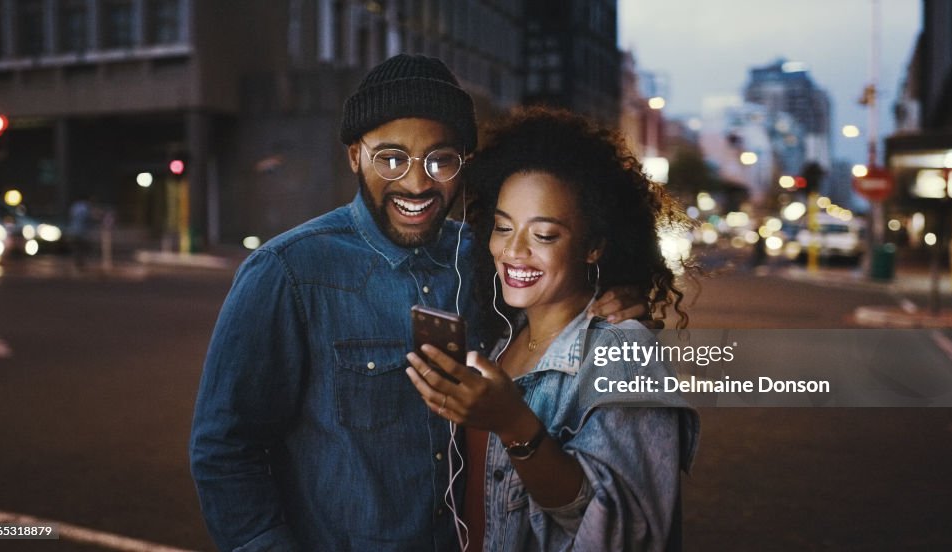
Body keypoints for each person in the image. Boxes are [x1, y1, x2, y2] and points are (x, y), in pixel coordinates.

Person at [189, 54, 649, 551]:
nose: (416, 183)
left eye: (440, 159)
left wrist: (611, 295)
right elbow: (226, 448)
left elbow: (560, 332)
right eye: (391, 158)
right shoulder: (288, 273)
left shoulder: (487, 260)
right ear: (354, 155)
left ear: (463, 162)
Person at [406, 107, 700, 552]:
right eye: (503, 227)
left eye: (544, 235)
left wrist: (513, 421)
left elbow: (625, 532)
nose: (514, 251)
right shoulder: (504, 338)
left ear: (594, 246)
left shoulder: (622, 348)